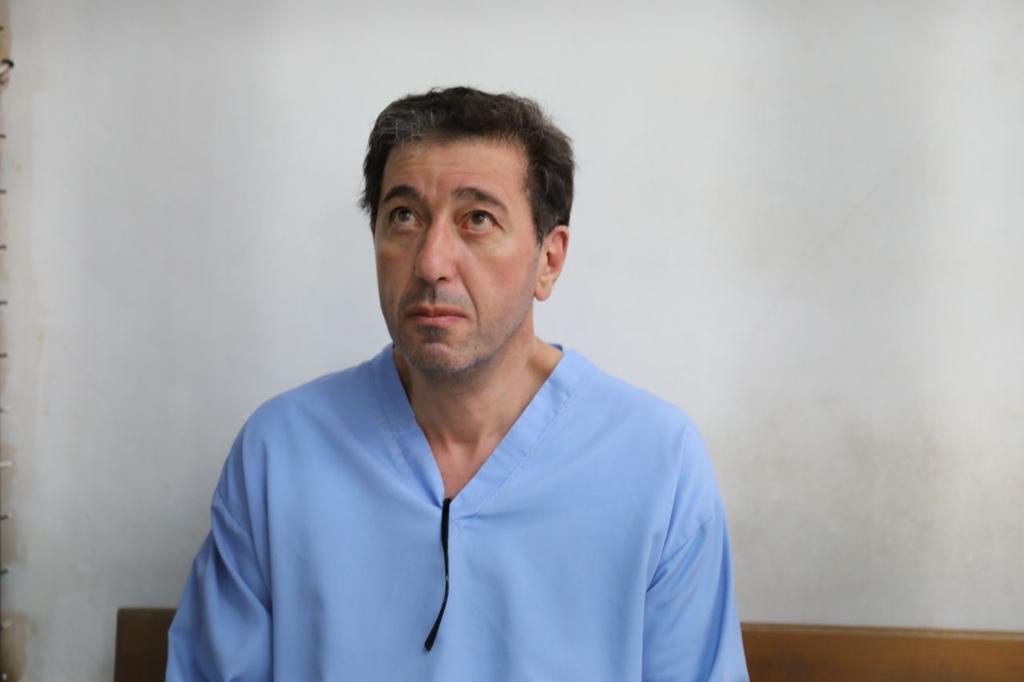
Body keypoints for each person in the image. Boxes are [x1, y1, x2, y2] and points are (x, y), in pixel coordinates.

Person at [166, 86, 749, 681]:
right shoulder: (279, 452)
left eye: (477, 220)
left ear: (549, 260)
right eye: (404, 216)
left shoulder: (656, 462)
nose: (430, 262)